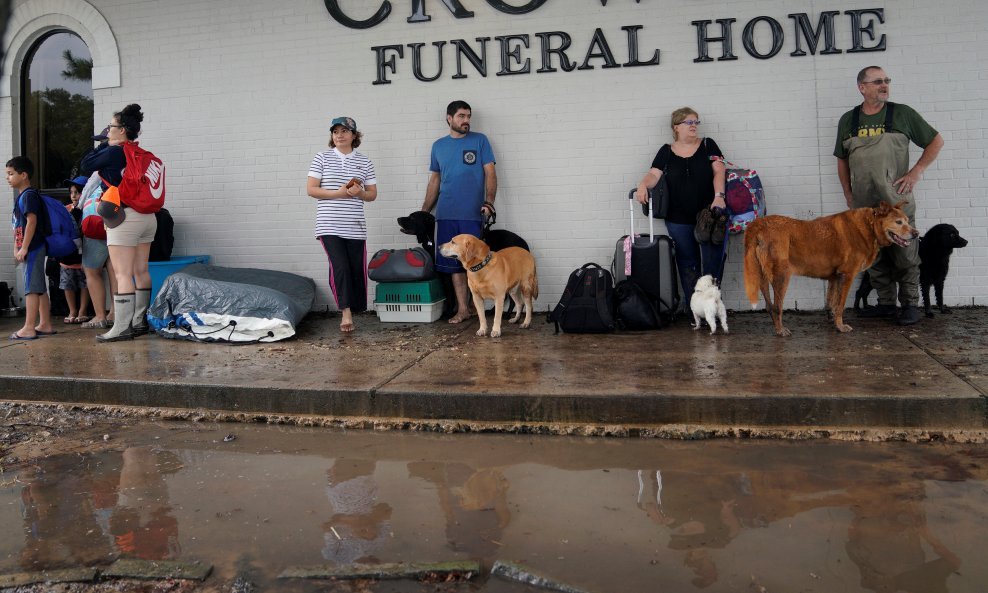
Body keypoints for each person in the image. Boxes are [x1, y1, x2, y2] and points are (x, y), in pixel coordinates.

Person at [835, 66, 944, 326]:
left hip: (895, 202)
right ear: (862, 87)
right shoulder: (848, 120)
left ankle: (909, 305)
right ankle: (885, 304)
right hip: (864, 205)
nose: (884, 85)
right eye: (877, 82)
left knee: (906, 253)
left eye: (886, 81)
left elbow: (935, 141)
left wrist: (916, 172)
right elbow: (842, 160)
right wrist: (848, 194)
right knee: (871, 254)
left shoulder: (902, 114)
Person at [635, 107, 726, 309]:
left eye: (696, 122)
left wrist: (719, 196)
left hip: (709, 215)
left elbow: (720, 171)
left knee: (712, 264)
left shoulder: (708, 145)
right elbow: (653, 175)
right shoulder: (666, 151)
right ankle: (695, 310)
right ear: (676, 127)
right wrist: (642, 185)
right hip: (678, 218)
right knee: (687, 264)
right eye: (689, 122)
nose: (694, 125)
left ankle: (712, 306)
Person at [80, 104, 156, 342]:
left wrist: (104, 144)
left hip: (123, 218)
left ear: (122, 130)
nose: (108, 130)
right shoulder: (139, 153)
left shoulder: (114, 152)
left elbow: (84, 165)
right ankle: (139, 321)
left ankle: (122, 328)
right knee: (141, 270)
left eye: (111, 126)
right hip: (148, 217)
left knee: (122, 273)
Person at [421, 100, 497, 324]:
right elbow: (435, 179)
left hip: (473, 213)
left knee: (474, 262)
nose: (466, 121)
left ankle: (477, 307)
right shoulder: (438, 146)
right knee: (454, 264)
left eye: (468, 116)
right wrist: (425, 210)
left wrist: (489, 202)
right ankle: (463, 309)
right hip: (446, 213)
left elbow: (490, 173)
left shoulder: (480, 141)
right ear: (449, 118)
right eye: (462, 116)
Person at [306, 116, 378, 333]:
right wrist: (337, 193)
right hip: (328, 225)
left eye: (344, 131)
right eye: (335, 131)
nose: (339, 135)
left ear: (354, 135)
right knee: (341, 267)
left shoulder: (365, 162)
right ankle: (346, 314)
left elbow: (372, 194)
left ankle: (355, 308)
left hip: (355, 226)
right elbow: (311, 189)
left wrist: (361, 193)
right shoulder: (322, 158)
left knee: (356, 269)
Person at [6, 156, 55, 340]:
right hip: (30, 247)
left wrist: (24, 247)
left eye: (11, 174)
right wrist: (16, 246)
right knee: (39, 287)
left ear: (24, 175)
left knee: (31, 288)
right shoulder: (23, 196)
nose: (7, 178)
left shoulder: (28, 196)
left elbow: (31, 222)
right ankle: (45, 324)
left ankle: (28, 327)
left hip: (33, 247)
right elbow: (17, 225)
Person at [77, 168, 116, 330]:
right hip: (117, 222)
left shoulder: (97, 174)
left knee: (92, 272)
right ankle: (115, 313)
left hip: (94, 224)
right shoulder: (122, 170)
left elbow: (83, 198)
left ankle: (100, 315)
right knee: (116, 271)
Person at [58, 176, 91, 324]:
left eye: (77, 192)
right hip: (68, 257)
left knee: (85, 284)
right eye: (71, 192)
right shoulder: (65, 210)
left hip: (86, 255)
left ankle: (83, 310)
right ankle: (72, 310)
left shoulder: (90, 209)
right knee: (67, 284)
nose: (73, 195)